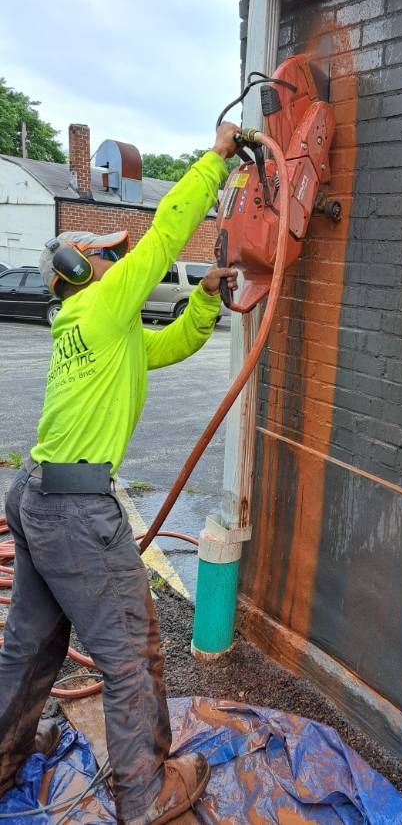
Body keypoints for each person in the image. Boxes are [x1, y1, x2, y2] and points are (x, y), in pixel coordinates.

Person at [0, 122, 241, 824]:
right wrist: (216, 162)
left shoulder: (98, 327)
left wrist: (206, 300)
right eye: (109, 256)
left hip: (36, 497)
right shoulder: (103, 303)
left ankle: (4, 754)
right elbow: (167, 233)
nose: (121, 263)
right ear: (79, 268)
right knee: (133, 655)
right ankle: (145, 794)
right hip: (76, 512)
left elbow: (170, 346)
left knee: (30, 644)